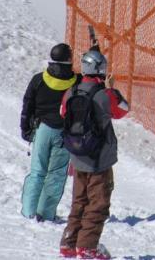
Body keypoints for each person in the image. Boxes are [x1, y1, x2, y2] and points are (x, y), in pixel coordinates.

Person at [59, 48, 129, 260]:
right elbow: (123, 109)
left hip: (77, 156)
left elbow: (63, 113)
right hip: (99, 158)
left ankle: (69, 243)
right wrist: (111, 89)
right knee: (97, 204)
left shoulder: (71, 92)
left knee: (79, 200)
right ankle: (87, 247)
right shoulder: (104, 95)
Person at [20, 42, 80, 222]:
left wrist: (25, 129)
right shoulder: (76, 82)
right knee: (56, 173)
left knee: (37, 171)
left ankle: (28, 211)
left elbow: (28, 105)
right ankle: (46, 213)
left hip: (42, 129)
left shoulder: (39, 79)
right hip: (64, 132)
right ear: (68, 60)